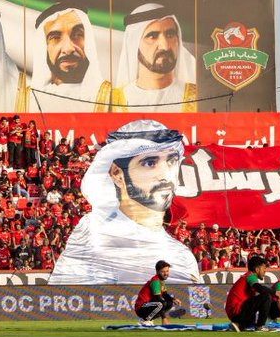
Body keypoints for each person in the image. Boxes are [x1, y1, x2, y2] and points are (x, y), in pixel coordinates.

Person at [49, 120, 201, 284]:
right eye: (150, 163)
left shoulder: (182, 257)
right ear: (116, 173)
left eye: (171, 161)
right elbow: (63, 297)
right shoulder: (90, 243)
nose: (165, 175)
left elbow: (198, 300)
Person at [111, 4, 197, 112]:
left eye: (170, 35)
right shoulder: (112, 103)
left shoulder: (198, 98)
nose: (165, 46)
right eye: (152, 36)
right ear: (134, 45)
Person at [27, 3, 112, 112]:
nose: (68, 49)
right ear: (44, 48)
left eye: (78, 34)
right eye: (55, 37)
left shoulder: (112, 100)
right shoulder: (27, 103)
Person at [225, 255, 274, 331]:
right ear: (257, 269)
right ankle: (260, 326)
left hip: (235, 312)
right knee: (266, 296)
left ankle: (239, 324)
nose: (265, 271)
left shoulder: (247, 277)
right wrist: (274, 292)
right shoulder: (250, 276)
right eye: (264, 268)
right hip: (238, 311)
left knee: (261, 299)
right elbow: (260, 288)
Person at [133, 260, 186, 326]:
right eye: (163, 272)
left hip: (149, 305)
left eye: (167, 271)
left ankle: (148, 319)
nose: (166, 273)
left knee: (169, 303)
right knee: (161, 303)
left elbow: (165, 294)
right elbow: (158, 298)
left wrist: (173, 299)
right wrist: (164, 318)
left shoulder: (161, 281)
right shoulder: (155, 281)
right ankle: (145, 320)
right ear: (157, 272)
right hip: (141, 307)